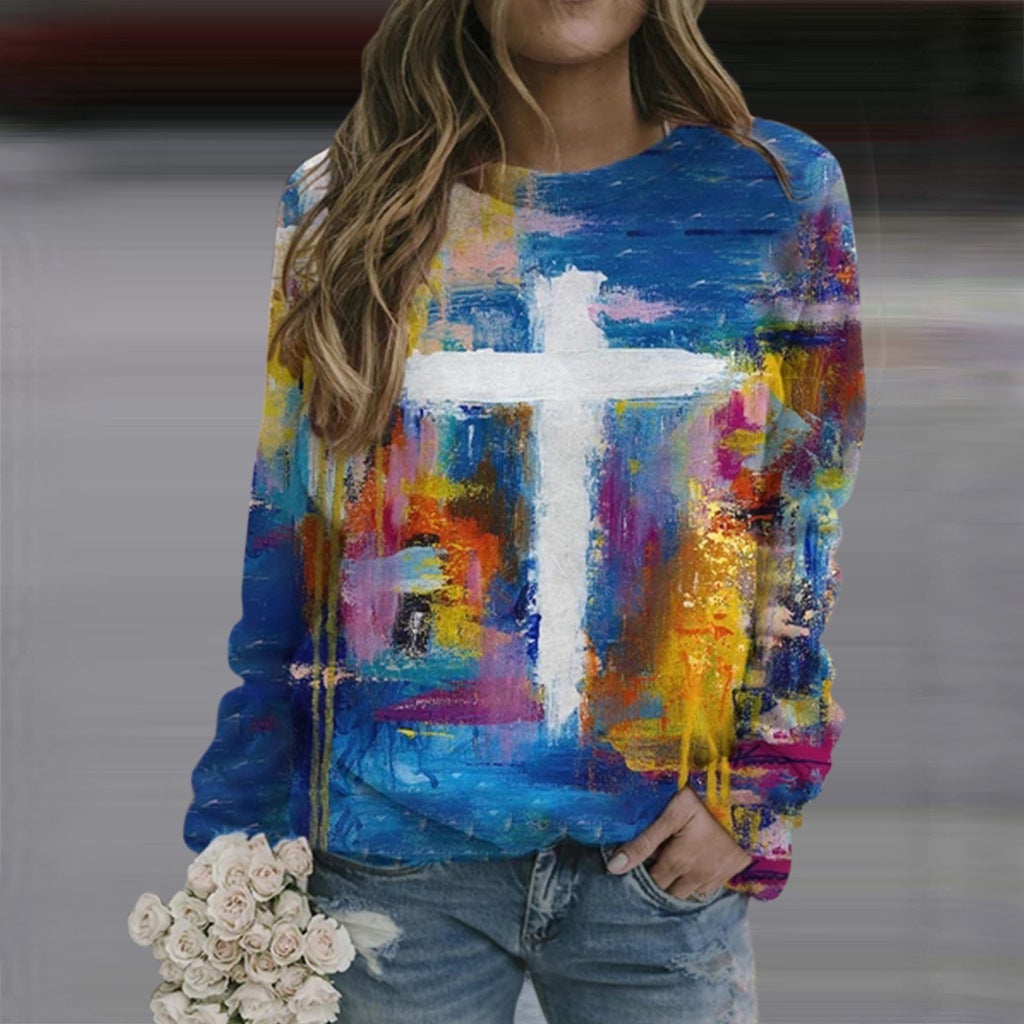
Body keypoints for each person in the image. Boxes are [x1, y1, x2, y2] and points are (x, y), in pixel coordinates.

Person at [183, 0, 866, 1020]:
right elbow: (290, 539)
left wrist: (762, 785)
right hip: (386, 861)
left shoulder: (771, 192)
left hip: (657, 861)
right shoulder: (343, 204)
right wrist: (238, 842)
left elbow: (805, 515)